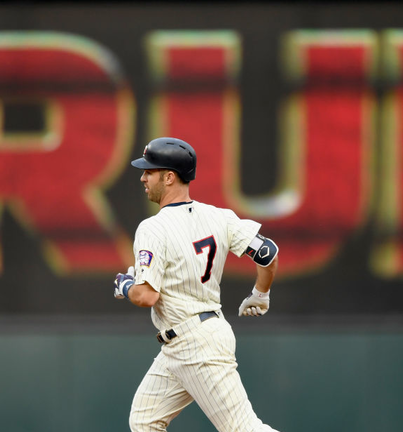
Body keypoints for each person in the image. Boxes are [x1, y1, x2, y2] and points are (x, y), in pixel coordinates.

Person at [113, 137, 281, 432]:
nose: (143, 177)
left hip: (195, 342)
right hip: (184, 342)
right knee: (144, 421)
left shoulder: (153, 227)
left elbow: (146, 296)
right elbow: (267, 253)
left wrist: (126, 285)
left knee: (243, 428)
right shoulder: (219, 217)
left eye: (149, 172)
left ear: (169, 177)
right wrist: (260, 293)